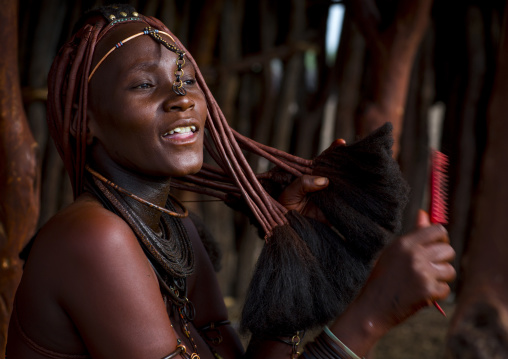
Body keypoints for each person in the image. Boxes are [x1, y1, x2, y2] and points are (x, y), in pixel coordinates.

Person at [6, 4, 456, 359]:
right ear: (88, 122)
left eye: (185, 77)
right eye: (144, 84)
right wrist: (375, 313)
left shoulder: (174, 227)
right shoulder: (93, 238)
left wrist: (297, 250)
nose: (181, 96)